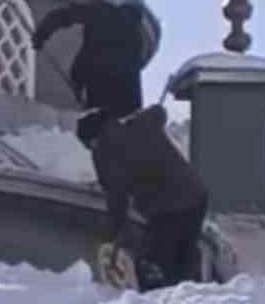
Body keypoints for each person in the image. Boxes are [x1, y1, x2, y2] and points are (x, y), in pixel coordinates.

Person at [77, 103, 209, 291]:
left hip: (168, 206)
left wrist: (115, 232)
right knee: (184, 257)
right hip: (196, 195)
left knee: (153, 264)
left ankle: (158, 303)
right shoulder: (142, 123)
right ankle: (188, 296)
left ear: (93, 140)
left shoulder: (106, 154)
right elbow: (159, 112)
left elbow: (116, 198)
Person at [32, 0, 148, 120]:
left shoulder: (103, 11)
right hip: (124, 98)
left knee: (95, 120)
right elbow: (134, 76)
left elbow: (65, 14)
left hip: (95, 77)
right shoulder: (137, 37)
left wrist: (41, 34)